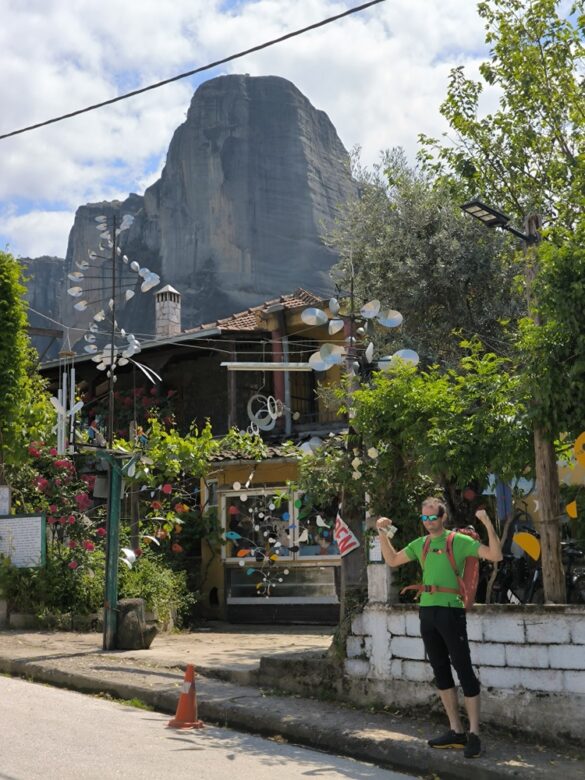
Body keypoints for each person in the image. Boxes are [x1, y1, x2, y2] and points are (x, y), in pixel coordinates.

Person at [376, 496, 502, 759]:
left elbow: (495, 555)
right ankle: (456, 731)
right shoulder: (420, 544)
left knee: (463, 669)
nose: (428, 522)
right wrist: (382, 533)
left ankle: (474, 734)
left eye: (433, 517)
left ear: (443, 517)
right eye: (424, 517)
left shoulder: (458, 541)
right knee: (440, 670)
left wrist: (487, 523)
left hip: (451, 610)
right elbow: (393, 560)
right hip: (427, 610)